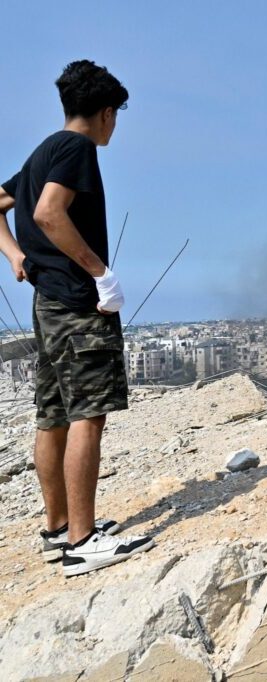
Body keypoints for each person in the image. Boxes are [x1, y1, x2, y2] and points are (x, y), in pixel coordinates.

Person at [0, 60, 154, 576]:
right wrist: (100, 272)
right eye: (117, 116)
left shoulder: (42, 151)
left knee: (55, 414)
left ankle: (57, 527)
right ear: (106, 113)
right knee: (89, 414)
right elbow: (48, 212)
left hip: (47, 305)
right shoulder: (76, 149)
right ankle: (82, 543)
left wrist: (16, 256)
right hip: (75, 304)